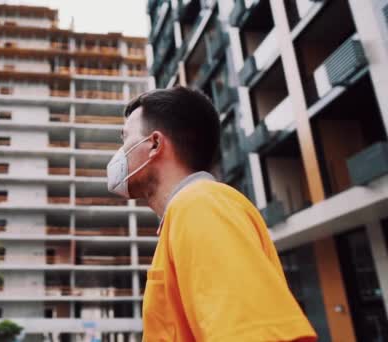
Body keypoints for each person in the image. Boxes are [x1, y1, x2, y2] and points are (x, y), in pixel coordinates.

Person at [106, 86, 317, 341]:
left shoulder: (200, 205)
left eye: (124, 138)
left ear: (155, 144)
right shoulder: (187, 212)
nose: (119, 154)